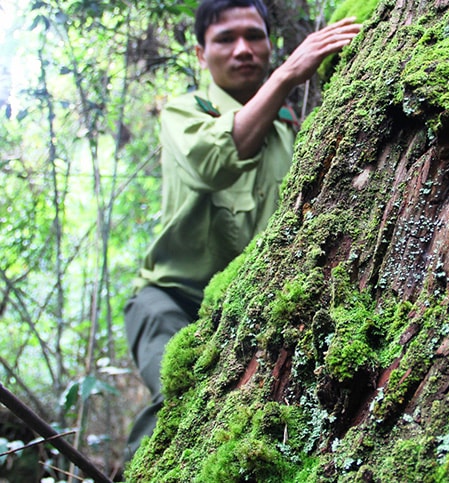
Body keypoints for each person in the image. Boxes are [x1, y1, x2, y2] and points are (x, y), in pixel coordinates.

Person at [123, 0, 361, 461]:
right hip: (171, 297)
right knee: (178, 398)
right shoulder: (183, 112)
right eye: (225, 39)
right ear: (200, 54)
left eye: (254, 36)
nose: (243, 49)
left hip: (246, 306)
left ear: (270, 44)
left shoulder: (289, 132)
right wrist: (286, 76)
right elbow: (215, 164)